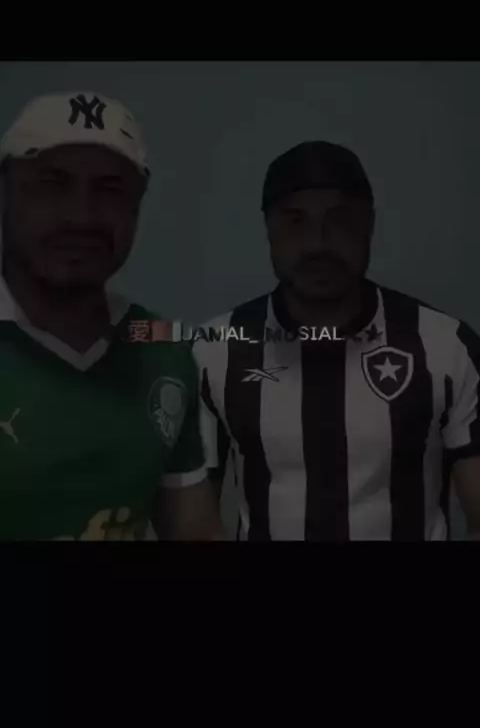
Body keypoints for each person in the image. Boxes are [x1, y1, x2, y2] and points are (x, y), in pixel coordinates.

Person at [193, 140, 480, 541]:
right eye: (296, 221)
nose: (318, 243)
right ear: (269, 229)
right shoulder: (215, 350)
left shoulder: (447, 346)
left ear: (369, 225)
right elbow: (190, 522)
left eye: (340, 220)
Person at [0, 92, 222, 540]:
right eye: (52, 184)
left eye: (110, 190)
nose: (81, 216)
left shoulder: (161, 351)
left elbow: (195, 530)